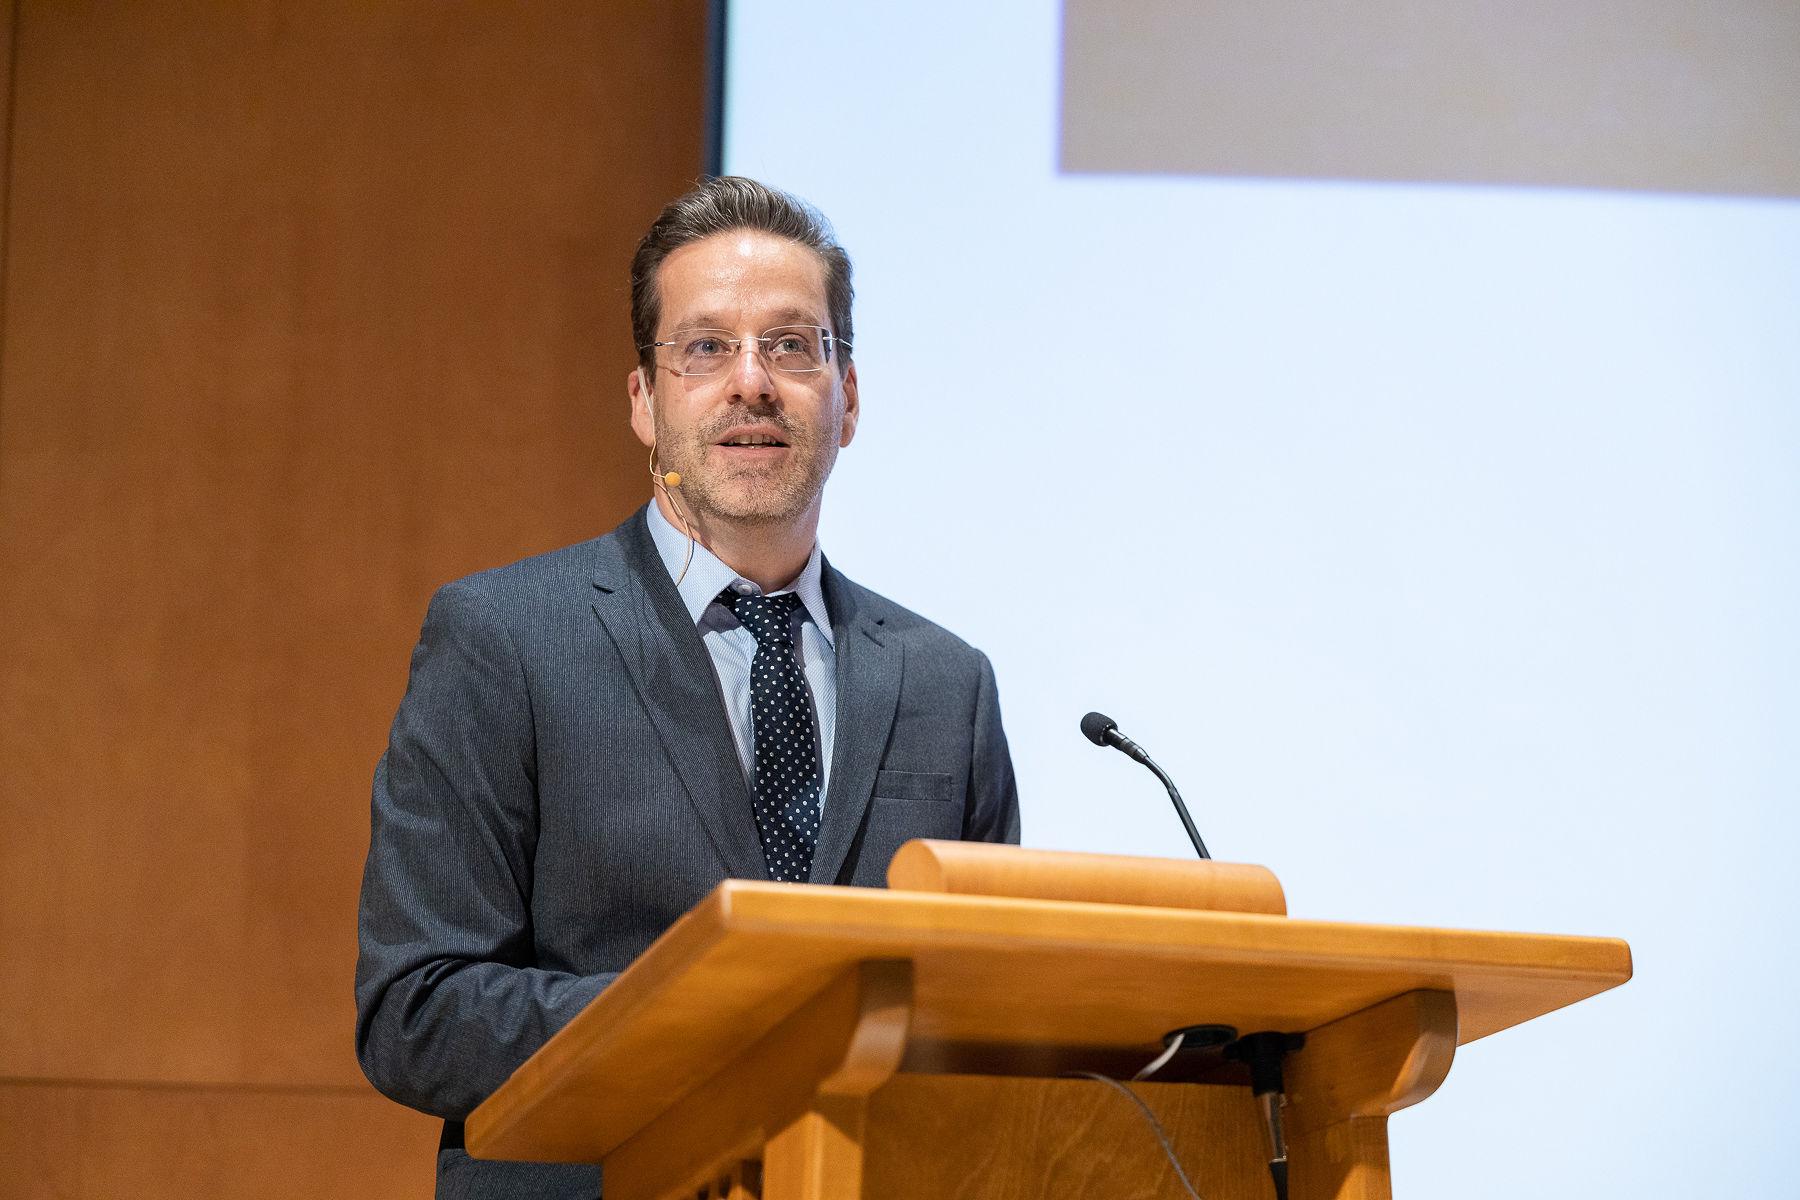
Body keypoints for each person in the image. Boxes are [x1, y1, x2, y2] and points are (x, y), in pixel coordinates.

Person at [355, 176, 1021, 1199]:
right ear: (645, 401)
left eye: (794, 346)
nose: (753, 381)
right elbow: (417, 1012)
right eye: (705, 348)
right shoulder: (504, 639)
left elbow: (988, 1017)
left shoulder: (946, 683)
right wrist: (716, 1023)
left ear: (848, 401)